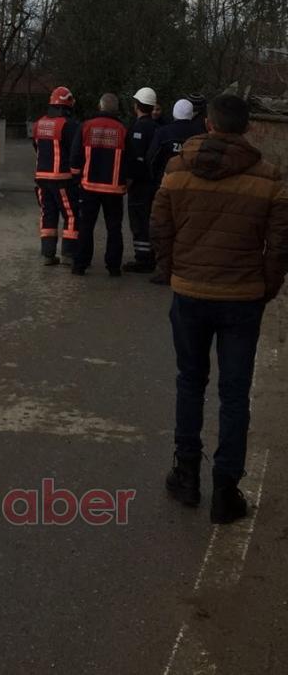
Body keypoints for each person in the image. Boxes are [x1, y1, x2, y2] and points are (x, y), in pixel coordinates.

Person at [151, 93, 288, 523]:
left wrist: (172, 269)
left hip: (190, 293)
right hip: (242, 299)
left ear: (208, 125)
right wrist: (266, 285)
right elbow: (281, 243)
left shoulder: (176, 171)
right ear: (248, 128)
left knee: (190, 382)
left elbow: (160, 227)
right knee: (234, 393)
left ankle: (186, 473)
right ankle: (226, 490)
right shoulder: (269, 179)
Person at [70, 93, 128, 277]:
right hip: (114, 189)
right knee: (114, 228)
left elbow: (75, 155)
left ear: (99, 106)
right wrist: (126, 181)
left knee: (86, 226)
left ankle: (80, 265)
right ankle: (113, 267)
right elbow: (130, 160)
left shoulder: (86, 126)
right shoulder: (122, 129)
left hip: (89, 187)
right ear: (116, 109)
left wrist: (76, 178)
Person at [31, 86, 80, 266]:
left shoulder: (38, 124)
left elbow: (36, 148)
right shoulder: (69, 125)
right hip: (62, 179)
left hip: (41, 179)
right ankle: (68, 254)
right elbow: (75, 152)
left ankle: (48, 254)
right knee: (71, 215)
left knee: (47, 215)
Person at [124, 86, 160, 273]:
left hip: (140, 184)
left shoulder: (138, 128)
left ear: (137, 105)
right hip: (155, 183)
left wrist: (128, 181)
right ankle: (151, 256)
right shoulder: (157, 127)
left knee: (139, 221)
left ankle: (143, 259)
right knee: (150, 219)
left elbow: (136, 159)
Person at [147, 98, 205, 189]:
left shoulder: (163, 133)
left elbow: (151, 158)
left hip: (166, 183)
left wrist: (156, 180)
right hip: (192, 185)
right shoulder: (200, 134)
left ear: (174, 113)